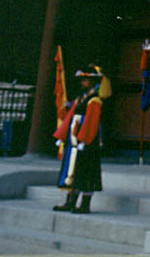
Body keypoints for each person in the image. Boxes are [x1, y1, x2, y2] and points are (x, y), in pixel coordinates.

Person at [53, 65, 110, 214]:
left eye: (86, 80)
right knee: (74, 171)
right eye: (82, 80)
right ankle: (70, 202)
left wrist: (85, 140)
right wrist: (61, 135)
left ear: (92, 82)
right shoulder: (80, 99)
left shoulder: (94, 100)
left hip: (88, 141)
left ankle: (85, 204)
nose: (82, 83)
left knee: (86, 173)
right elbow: (70, 117)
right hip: (74, 140)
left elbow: (92, 121)